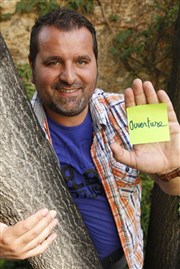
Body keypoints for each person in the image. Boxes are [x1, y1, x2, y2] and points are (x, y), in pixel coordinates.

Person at [0, 8, 179, 269]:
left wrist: (171, 170)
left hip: (124, 260)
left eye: (81, 61)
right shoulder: (13, 134)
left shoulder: (130, 114)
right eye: (54, 62)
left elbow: (174, 187)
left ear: (96, 63)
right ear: (32, 65)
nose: (69, 77)